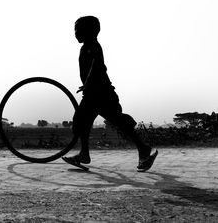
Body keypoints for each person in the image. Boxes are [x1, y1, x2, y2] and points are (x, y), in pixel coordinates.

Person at [62, 16, 158, 172]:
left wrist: (87, 83)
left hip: (102, 93)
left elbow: (96, 64)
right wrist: (87, 84)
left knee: (116, 121)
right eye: (75, 30)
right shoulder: (86, 46)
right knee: (82, 121)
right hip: (93, 94)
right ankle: (84, 153)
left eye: (78, 30)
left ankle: (143, 148)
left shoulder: (93, 46)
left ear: (90, 31)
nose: (76, 33)